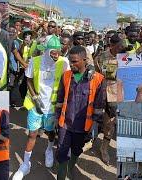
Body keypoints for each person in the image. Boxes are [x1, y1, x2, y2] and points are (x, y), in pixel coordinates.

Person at [13, 35, 70, 180]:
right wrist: (35, 97)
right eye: (53, 52)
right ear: (45, 51)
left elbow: (67, 82)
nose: (56, 55)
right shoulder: (35, 61)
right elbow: (29, 79)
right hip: (35, 105)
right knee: (32, 134)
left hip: (51, 107)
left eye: (58, 52)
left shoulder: (64, 63)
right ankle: (25, 165)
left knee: (50, 132)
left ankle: (49, 149)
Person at [55, 45, 106, 179]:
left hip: (83, 126)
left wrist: (95, 126)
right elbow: (60, 99)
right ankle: (61, 176)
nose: (71, 64)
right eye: (70, 61)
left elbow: (99, 106)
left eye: (75, 61)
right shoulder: (66, 76)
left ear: (84, 60)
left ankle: (70, 168)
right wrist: (56, 119)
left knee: (76, 150)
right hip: (65, 124)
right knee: (62, 152)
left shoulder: (98, 79)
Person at [94, 34, 124, 164]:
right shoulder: (101, 57)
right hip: (101, 94)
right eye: (119, 46)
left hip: (116, 94)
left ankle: (104, 148)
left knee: (110, 124)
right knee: (94, 120)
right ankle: (89, 141)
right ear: (112, 45)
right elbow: (97, 76)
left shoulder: (128, 57)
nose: (122, 48)